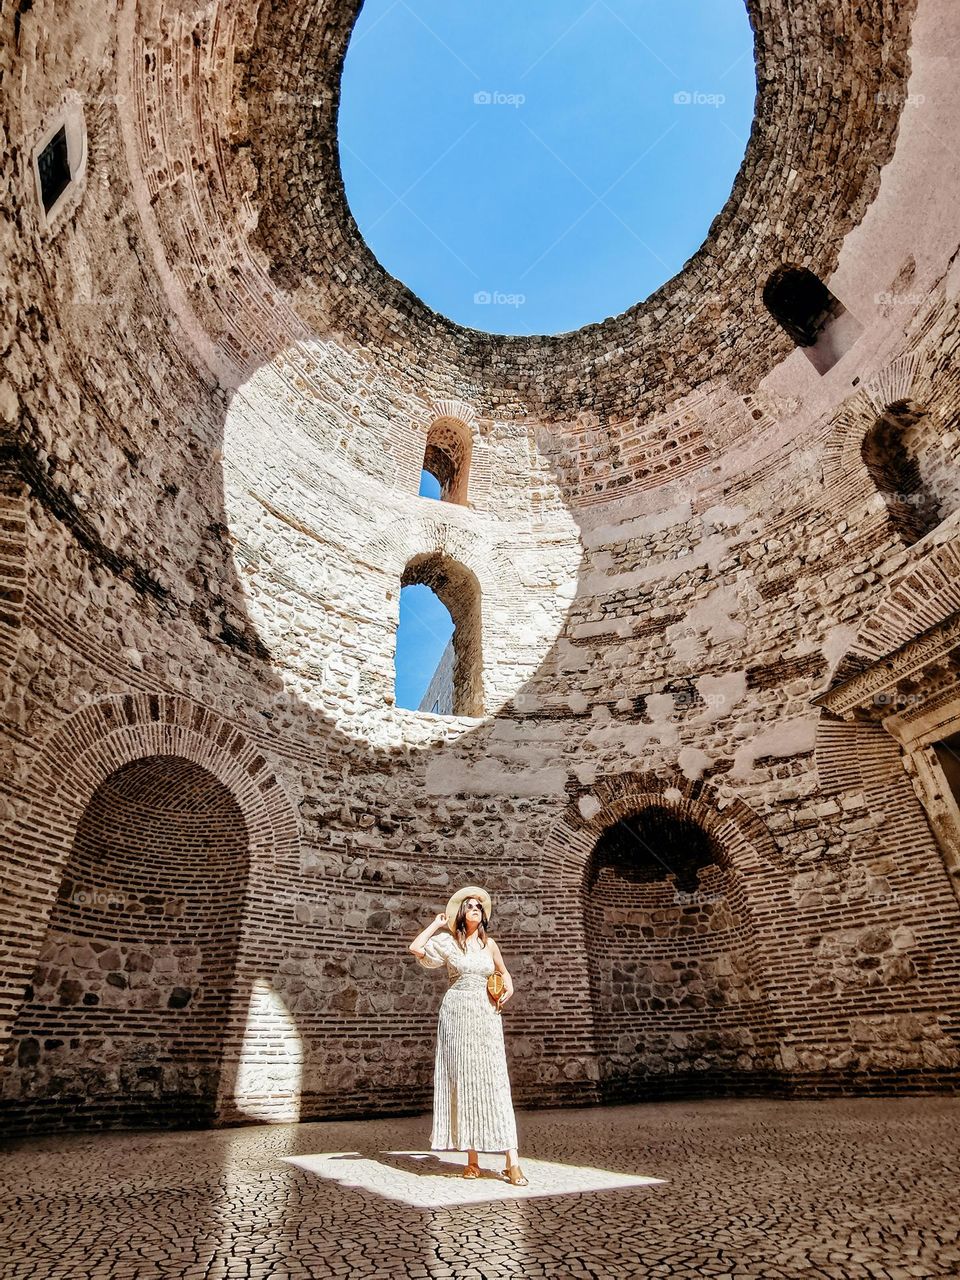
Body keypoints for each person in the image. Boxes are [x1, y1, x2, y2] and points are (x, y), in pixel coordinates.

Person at [408, 885, 528, 1186]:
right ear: (461, 913)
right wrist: (437, 924)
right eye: (470, 905)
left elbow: (504, 973)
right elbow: (416, 948)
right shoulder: (448, 943)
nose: (475, 908)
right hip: (456, 1016)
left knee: (495, 1081)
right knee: (464, 1082)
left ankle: (511, 1161)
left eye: (479, 905)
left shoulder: (490, 945)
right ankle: (472, 1160)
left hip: (486, 1015)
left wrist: (509, 989)